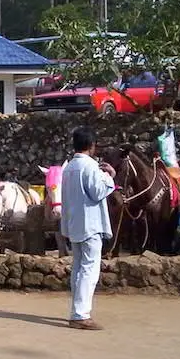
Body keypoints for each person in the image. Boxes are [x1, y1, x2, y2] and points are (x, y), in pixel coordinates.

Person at [59, 127, 116, 331]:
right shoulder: (90, 166)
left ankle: (78, 310)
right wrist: (110, 177)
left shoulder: (68, 168)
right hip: (90, 224)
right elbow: (98, 192)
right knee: (89, 269)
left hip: (74, 224)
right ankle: (80, 314)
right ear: (92, 146)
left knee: (78, 268)